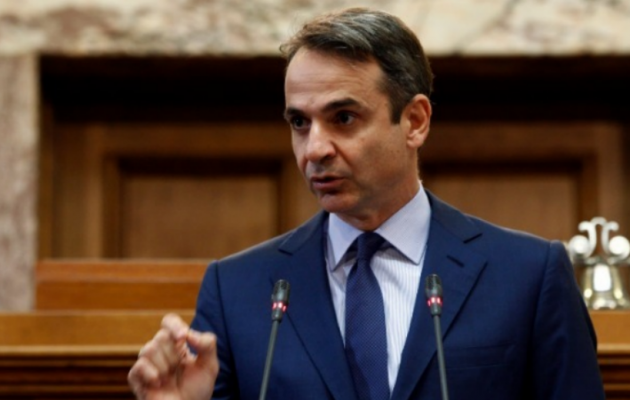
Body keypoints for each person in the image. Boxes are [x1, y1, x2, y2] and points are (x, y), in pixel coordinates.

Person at [127, 7, 606, 400]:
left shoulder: (527, 275)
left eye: (343, 117)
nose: (315, 149)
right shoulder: (238, 290)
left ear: (415, 121)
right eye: (299, 123)